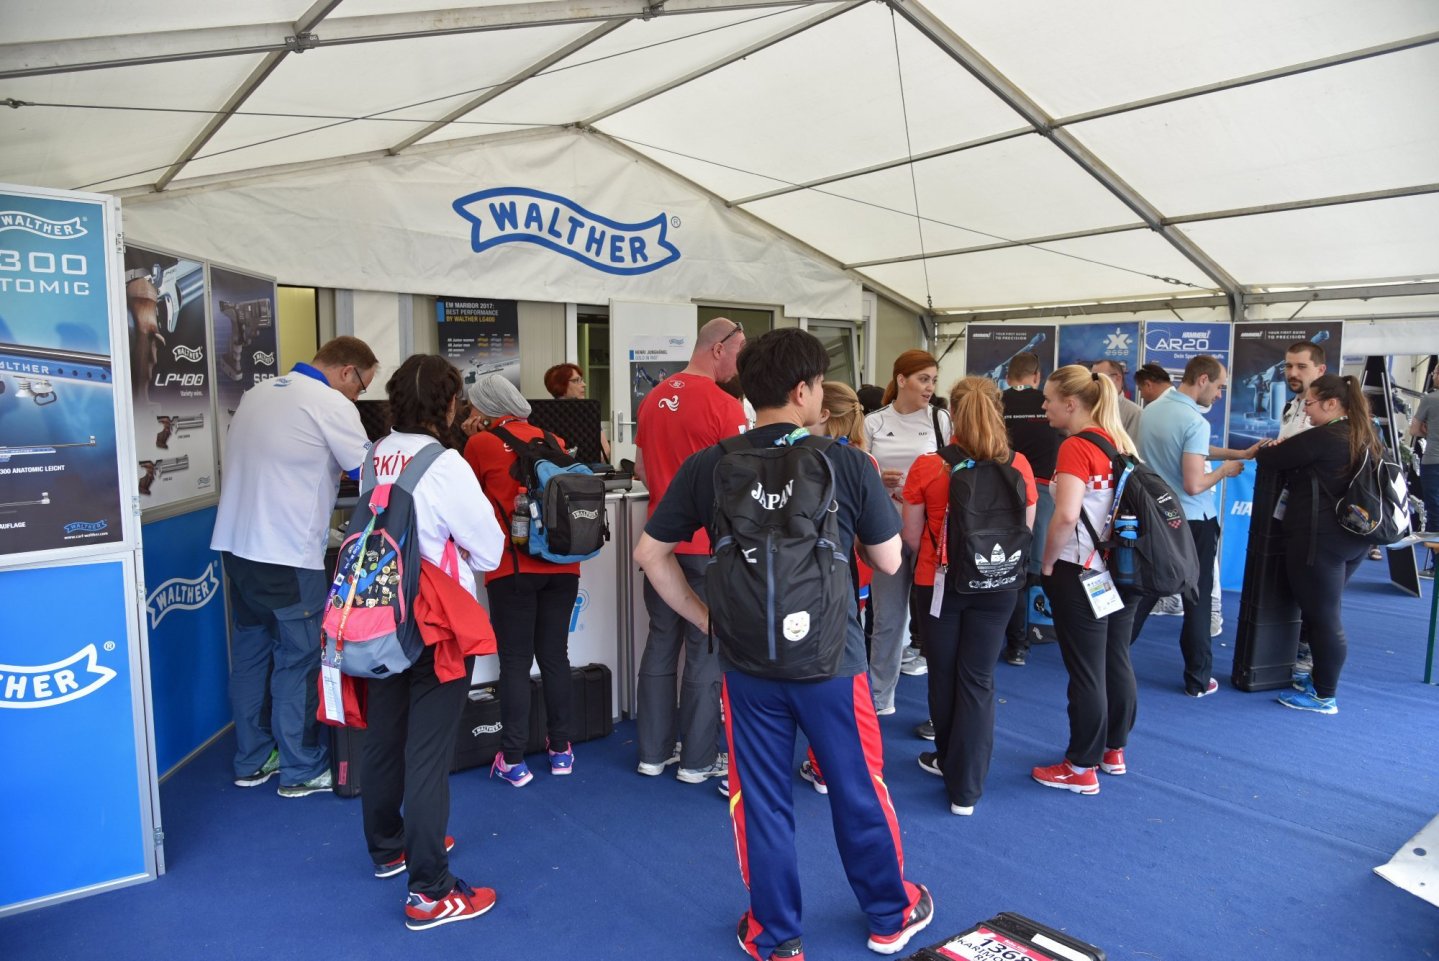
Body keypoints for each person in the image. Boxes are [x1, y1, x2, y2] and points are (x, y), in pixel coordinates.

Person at [634, 328, 933, 960]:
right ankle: (889, 913)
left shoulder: (710, 464)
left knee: (760, 797)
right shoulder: (846, 462)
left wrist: (707, 620)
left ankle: (774, 935)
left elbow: (650, 554)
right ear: (802, 390)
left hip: (746, 661)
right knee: (857, 785)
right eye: (819, 384)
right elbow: (887, 560)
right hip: (833, 659)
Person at [360, 355, 507, 930]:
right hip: (435, 621)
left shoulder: (374, 454)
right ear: (449, 405)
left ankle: (388, 846)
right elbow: (489, 550)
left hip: (378, 613)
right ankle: (429, 891)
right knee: (427, 754)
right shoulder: (445, 464)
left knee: (383, 736)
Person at [211, 335, 377, 797]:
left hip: (236, 548)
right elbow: (371, 472)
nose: (358, 397)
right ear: (347, 371)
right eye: (361, 387)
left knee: (250, 657)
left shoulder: (257, 392)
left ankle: (252, 760)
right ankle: (301, 769)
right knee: (299, 660)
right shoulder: (330, 402)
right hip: (286, 553)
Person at [903, 377, 1036, 815]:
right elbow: (1025, 531)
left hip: (939, 583)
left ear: (953, 416)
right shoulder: (1019, 465)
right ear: (998, 411)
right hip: (999, 586)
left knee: (943, 675)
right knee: (978, 678)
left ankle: (947, 761)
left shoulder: (929, 467)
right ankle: (968, 787)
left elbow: (910, 537)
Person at [632, 317, 749, 784]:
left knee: (661, 641)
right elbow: (740, 481)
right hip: (706, 546)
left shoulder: (653, 398)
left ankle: (652, 753)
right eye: (739, 350)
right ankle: (697, 760)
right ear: (718, 348)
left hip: (660, 542)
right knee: (705, 646)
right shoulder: (725, 405)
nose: (741, 361)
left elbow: (641, 470)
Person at [463, 373, 580, 786]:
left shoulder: (480, 444)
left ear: (486, 407)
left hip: (511, 567)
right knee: (555, 656)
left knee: (515, 661)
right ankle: (561, 750)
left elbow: (466, 500)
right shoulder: (554, 439)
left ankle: (513, 759)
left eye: (474, 404)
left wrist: (471, 437)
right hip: (563, 565)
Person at [1032, 365, 1143, 796]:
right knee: (1115, 660)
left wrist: (1045, 564)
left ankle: (1080, 766)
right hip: (1120, 569)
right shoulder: (1119, 441)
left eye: (1048, 399)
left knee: (1086, 671)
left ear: (1071, 403)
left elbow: (1065, 516)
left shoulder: (1076, 447)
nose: (1043, 407)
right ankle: (1113, 750)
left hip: (1080, 570)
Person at [1256, 374, 1381, 714]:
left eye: (1309, 403)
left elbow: (1270, 459)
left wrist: (1269, 448)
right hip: (1355, 538)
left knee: (1324, 617)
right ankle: (1316, 682)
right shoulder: (1365, 434)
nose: (1306, 410)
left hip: (1320, 540)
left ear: (1332, 403)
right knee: (1324, 612)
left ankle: (1324, 695)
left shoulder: (1324, 437)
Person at [1127, 356, 1249, 697]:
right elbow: (1194, 484)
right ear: (1203, 379)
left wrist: (1236, 453)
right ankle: (1198, 679)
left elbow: (1191, 449)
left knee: (1146, 590)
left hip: (1157, 517)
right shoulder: (1195, 421)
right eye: (1219, 387)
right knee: (1197, 599)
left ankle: (1110, 655)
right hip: (1193, 522)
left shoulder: (1152, 410)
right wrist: (1226, 470)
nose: (1220, 395)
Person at [865, 350, 951, 710]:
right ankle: (879, 697)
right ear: (901, 380)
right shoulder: (873, 422)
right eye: (923, 379)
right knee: (888, 618)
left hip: (930, 532)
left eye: (934, 380)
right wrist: (879, 480)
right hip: (886, 530)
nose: (930, 387)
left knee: (937, 618)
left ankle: (942, 706)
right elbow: (861, 476)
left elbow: (953, 470)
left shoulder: (940, 420)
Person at [998, 351, 1062, 667]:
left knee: (1000, 560)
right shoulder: (1049, 404)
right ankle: (1025, 640)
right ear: (1037, 376)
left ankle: (1009, 639)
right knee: (1031, 567)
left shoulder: (997, 402)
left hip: (1000, 489)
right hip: (1042, 493)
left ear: (1008, 376)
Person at [543, 362, 611, 462]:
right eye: (576, 380)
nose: (584, 385)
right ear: (560, 385)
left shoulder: (588, 411)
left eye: (582, 380)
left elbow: (606, 450)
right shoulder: (544, 413)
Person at [1407, 364, 1438, 576]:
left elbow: (1414, 429)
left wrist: (1428, 430)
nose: (1433, 376)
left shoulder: (1430, 399)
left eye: (1435, 372)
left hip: (1434, 462)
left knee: (1435, 514)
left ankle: (1436, 567)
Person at [1278, 341, 1328, 440]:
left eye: (1301, 367)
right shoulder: (1289, 406)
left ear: (1320, 370)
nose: (1293, 373)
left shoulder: (1328, 409)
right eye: (1288, 366)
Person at [1091, 359, 1143, 439]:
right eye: (1092, 377)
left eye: (1098, 377)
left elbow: (1132, 445)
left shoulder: (1134, 413)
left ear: (1117, 378)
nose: (1094, 382)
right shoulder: (1086, 407)